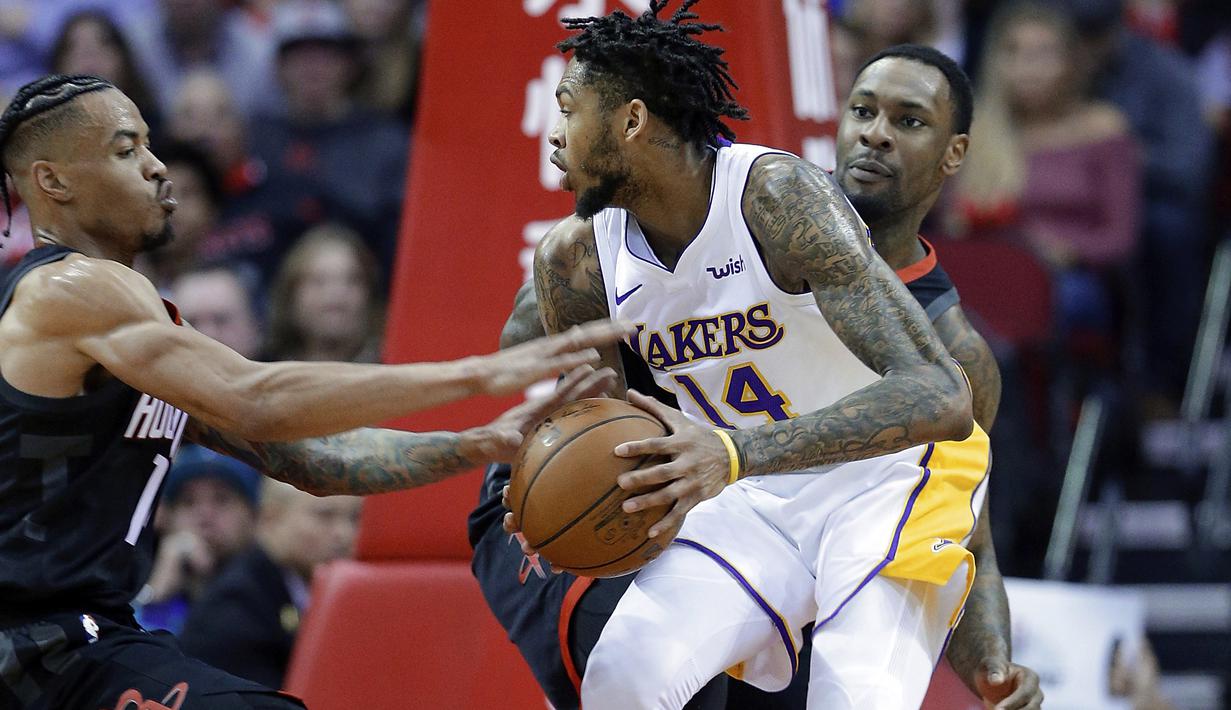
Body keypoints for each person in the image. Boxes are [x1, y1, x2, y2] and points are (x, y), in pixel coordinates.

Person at [0, 73, 626, 709]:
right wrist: (477, 374)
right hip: (30, 650)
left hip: (82, 644)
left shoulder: (133, 327)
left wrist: (477, 442)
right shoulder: (69, 292)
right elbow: (256, 394)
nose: (157, 167)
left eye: (148, 145)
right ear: (53, 182)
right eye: (126, 150)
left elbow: (313, 460)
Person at [476, 36, 1042, 709]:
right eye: (861, 110)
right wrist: (561, 497)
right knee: (623, 677)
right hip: (744, 490)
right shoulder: (573, 260)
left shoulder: (775, 197)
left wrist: (988, 661)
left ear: (630, 122)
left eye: (568, 109)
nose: (553, 134)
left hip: (884, 485)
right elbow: (607, 435)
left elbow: (942, 399)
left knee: (853, 697)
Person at [179, 479, 362, 689]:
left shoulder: (299, 587)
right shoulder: (237, 608)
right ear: (270, 519)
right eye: (324, 516)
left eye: (355, 518)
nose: (345, 534)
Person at [135, 445, 262, 635]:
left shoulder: (270, 589)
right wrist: (156, 592)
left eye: (222, 499)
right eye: (188, 501)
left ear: (254, 516)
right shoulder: (139, 578)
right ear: (165, 517)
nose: (204, 515)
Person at [264, 223, 384, 363]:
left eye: (352, 280)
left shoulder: (396, 370)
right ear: (290, 295)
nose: (336, 293)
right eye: (318, 281)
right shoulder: (261, 373)